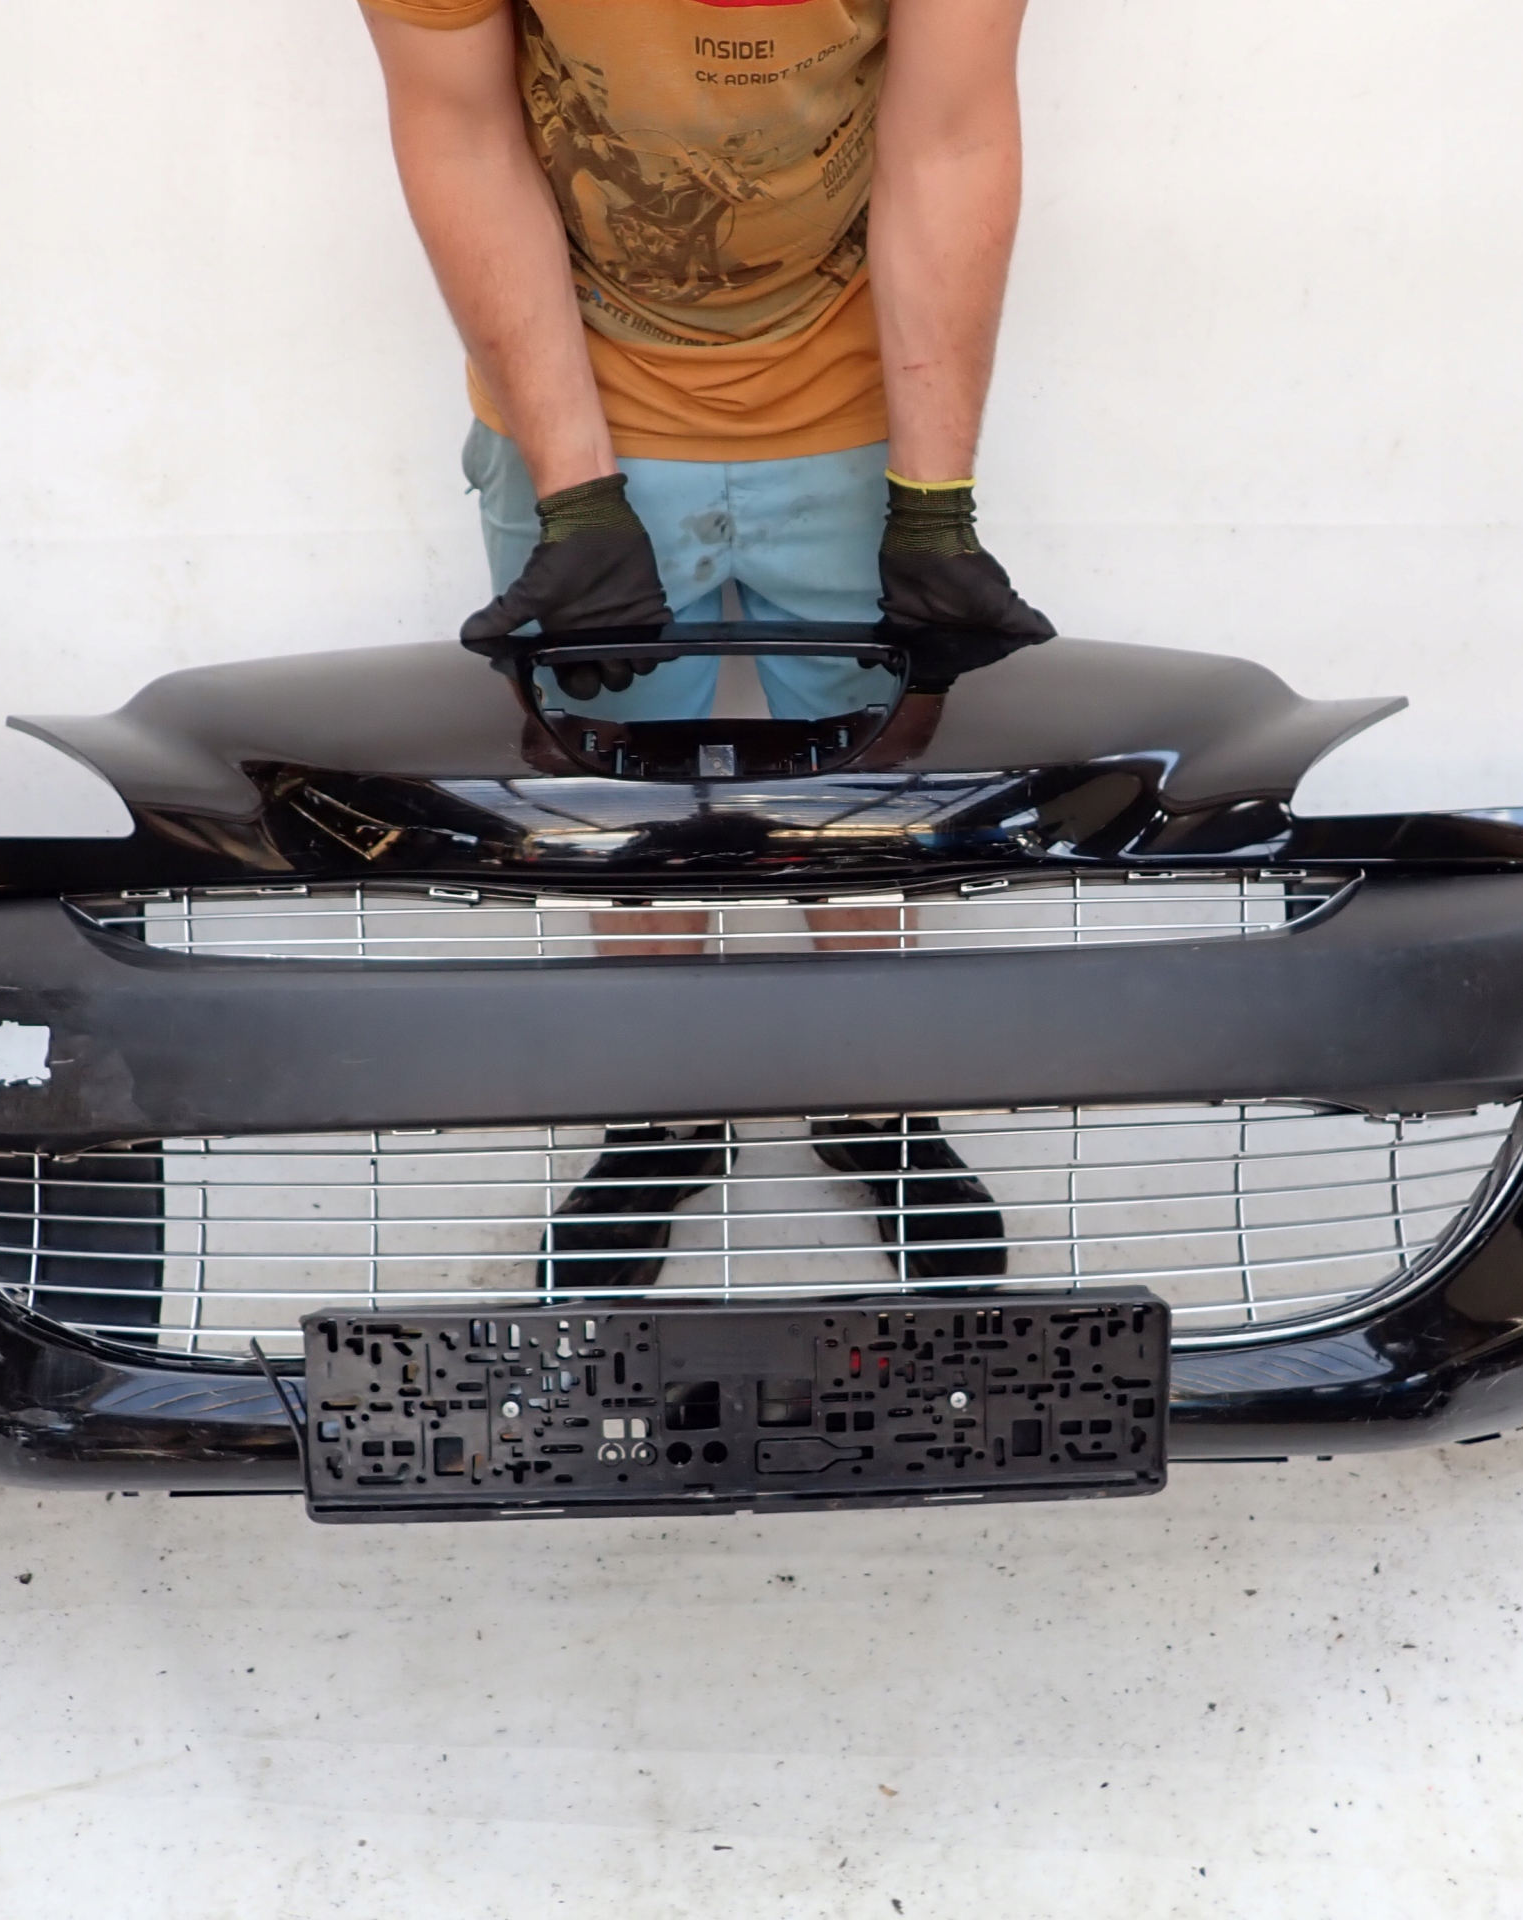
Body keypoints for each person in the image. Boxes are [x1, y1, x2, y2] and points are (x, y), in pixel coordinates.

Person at [354, 0, 1048, 1289]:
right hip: (578, 391)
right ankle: (662, 1105)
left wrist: (932, 509)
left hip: (860, 388)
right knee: (616, 777)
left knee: (872, 779)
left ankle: (876, 1095)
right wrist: (577, 496)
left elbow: (951, 133)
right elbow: (460, 130)